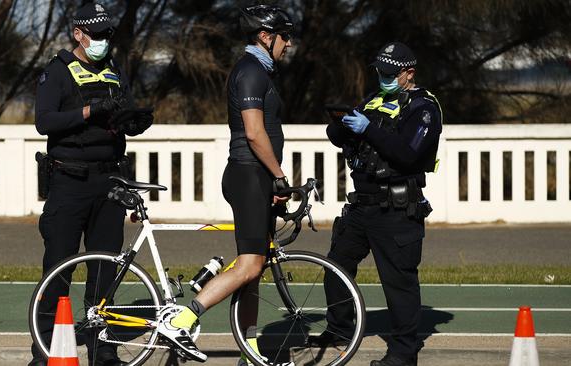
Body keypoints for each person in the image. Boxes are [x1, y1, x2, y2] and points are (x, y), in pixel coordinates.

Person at [154, 5, 294, 365]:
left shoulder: (261, 71)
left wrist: (273, 180)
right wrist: (279, 174)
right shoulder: (250, 72)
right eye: (285, 36)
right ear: (265, 36)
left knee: (254, 271)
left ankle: (251, 352)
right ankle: (183, 319)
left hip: (256, 177)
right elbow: (254, 132)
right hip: (249, 175)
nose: (289, 43)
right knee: (248, 265)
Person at [29, 3, 153, 366]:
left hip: (109, 180)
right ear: (78, 34)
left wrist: (134, 121)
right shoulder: (58, 71)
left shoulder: (114, 69)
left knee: (105, 271)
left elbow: (122, 111)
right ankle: (45, 351)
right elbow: (44, 121)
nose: (102, 41)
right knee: (58, 268)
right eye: (96, 35)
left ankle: (103, 350)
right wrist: (88, 111)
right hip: (69, 180)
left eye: (107, 35)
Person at [310, 42, 443, 366]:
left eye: (389, 73)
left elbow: (407, 153)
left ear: (408, 73)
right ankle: (340, 329)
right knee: (336, 267)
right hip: (362, 207)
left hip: (396, 209)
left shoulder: (423, 108)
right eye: (379, 72)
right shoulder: (375, 100)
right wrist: (341, 124)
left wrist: (368, 128)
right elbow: (340, 136)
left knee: (399, 283)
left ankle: (403, 353)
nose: (382, 78)